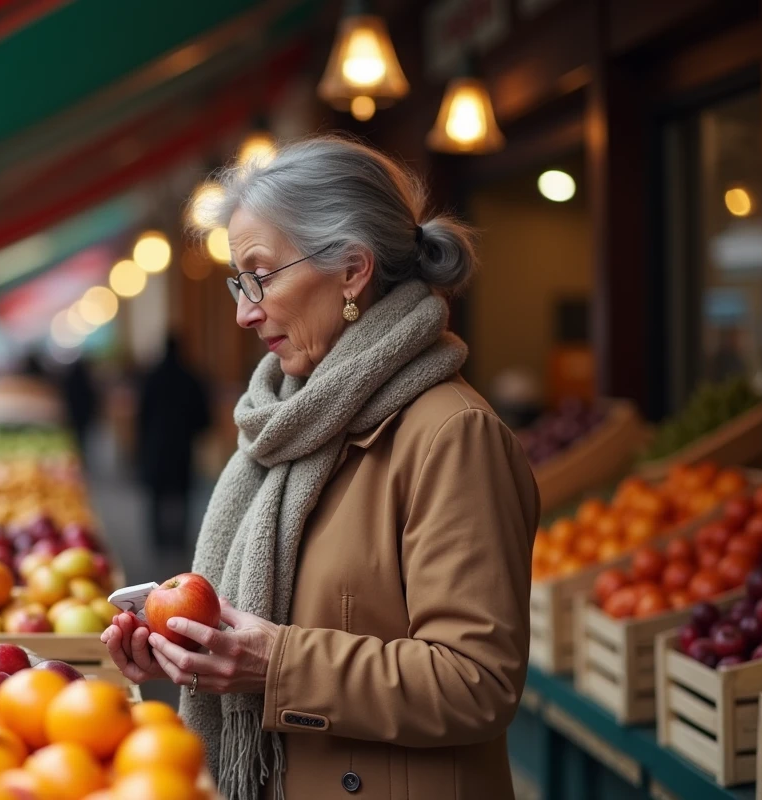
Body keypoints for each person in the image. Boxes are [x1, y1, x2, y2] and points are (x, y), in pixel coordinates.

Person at [101, 137, 539, 800]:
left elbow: (477, 682)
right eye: (238, 282)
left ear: (352, 271)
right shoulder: (285, 424)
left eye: (260, 276)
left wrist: (275, 665)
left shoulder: (454, 435)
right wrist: (194, 653)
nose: (244, 312)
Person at [136, 335, 209, 549]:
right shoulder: (191, 378)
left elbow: (142, 414)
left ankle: (158, 539)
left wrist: (142, 441)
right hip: (181, 446)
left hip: (156, 445)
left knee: (156, 495)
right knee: (182, 495)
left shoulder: (152, 377)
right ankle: (179, 539)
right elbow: (203, 417)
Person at [62, 357, 98, 462]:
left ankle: (78, 454)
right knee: (82, 437)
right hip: (84, 415)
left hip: (75, 414)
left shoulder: (71, 380)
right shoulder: (86, 381)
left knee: (76, 436)